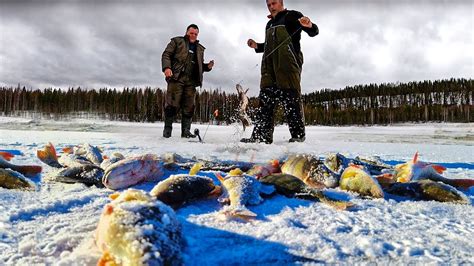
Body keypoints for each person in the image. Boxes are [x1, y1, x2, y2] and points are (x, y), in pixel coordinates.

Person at [241, 0, 318, 144]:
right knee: (265, 102)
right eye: (269, 5)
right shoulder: (269, 24)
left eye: (274, 3)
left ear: (281, 2)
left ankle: (298, 136)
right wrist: (257, 45)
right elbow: (270, 46)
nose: (271, 7)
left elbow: (313, 32)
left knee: (291, 100)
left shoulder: (292, 16)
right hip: (269, 68)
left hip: (288, 66)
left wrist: (310, 25)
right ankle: (261, 137)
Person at [161, 24, 214, 138]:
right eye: (191, 33)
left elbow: (199, 66)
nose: (193, 35)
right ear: (187, 32)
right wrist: (167, 68)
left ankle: (186, 132)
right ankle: (167, 132)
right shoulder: (177, 41)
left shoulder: (200, 49)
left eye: (196, 34)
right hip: (177, 77)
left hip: (191, 81)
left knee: (189, 107)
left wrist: (207, 67)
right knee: (171, 105)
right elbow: (166, 54)